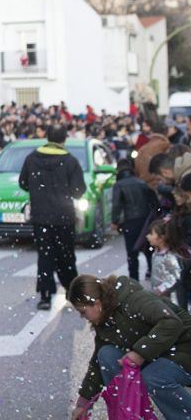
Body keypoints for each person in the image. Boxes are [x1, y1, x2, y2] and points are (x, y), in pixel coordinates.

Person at [69, 274, 191, 419]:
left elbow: (171, 322)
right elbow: (97, 364)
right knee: (106, 354)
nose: (83, 317)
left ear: (96, 303)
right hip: (159, 352)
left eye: (83, 311)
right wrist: (83, 404)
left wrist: (140, 353)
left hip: (184, 346)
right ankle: (129, 414)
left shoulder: (133, 299)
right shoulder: (105, 320)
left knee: (153, 376)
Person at [19, 124, 87, 310]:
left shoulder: (32, 158)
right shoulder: (70, 161)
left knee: (45, 256)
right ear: (64, 139)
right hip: (64, 216)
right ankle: (73, 293)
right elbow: (79, 190)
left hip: (41, 217)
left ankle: (45, 295)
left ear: (47, 137)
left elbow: (23, 182)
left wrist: (39, 190)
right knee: (66, 256)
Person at [113, 159, 158, 281]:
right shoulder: (141, 183)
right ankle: (152, 273)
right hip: (145, 220)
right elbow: (152, 201)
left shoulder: (119, 185)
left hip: (130, 221)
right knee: (148, 248)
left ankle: (134, 280)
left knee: (132, 253)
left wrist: (115, 221)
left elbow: (116, 205)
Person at [149, 220, 182, 299]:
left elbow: (176, 276)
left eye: (151, 234)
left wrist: (163, 288)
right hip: (159, 297)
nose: (148, 236)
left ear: (161, 237)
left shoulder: (169, 256)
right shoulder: (155, 253)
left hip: (170, 298)